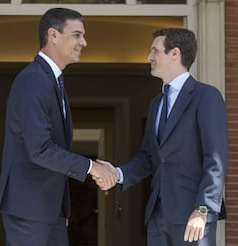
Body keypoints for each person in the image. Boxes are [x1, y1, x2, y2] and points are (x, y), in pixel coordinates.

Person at [0, 8, 118, 246]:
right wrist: (91, 167)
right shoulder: (33, 80)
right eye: (77, 35)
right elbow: (39, 149)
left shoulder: (53, 81)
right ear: (53, 35)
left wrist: (61, 210)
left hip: (50, 212)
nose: (84, 42)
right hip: (30, 209)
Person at [96, 28, 228, 245]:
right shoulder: (156, 103)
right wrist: (118, 174)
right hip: (158, 215)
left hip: (192, 215)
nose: (149, 57)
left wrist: (203, 209)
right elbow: (149, 157)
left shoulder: (206, 97)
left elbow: (216, 159)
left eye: (155, 51)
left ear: (174, 53)